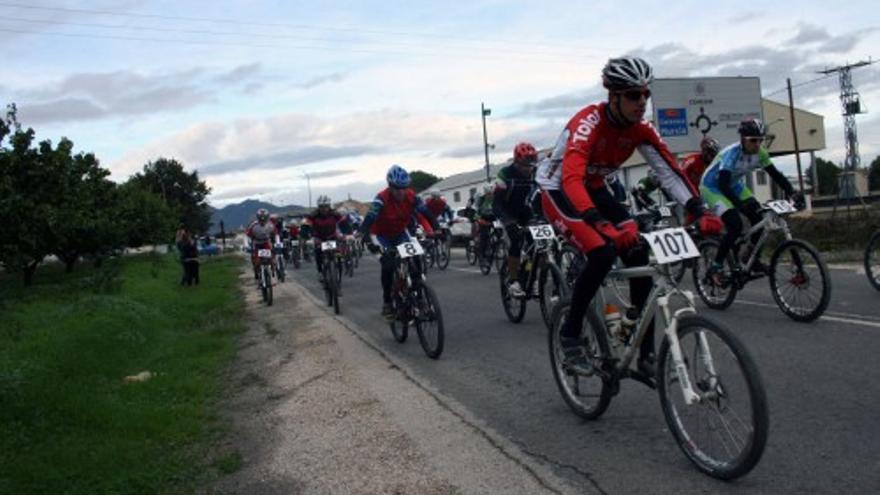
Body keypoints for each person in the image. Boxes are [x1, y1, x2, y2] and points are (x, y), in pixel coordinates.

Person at [537, 56, 723, 376]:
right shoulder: (588, 124)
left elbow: (669, 172)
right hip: (559, 189)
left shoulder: (641, 130)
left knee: (638, 252)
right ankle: (569, 335)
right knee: (602, 252)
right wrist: (601, 225)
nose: (642, 102)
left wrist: (698, 208)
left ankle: (638, 345)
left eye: (645, 95)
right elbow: (570, 179)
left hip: (593, 186)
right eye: (634, 95)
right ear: (614, 97)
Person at [701, 119, 805, 282]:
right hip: (713, 187)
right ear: (743, 139)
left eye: (760, 140)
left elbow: (776, 175)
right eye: (753, 140)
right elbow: (722, 184)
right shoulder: (732, 154)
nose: (757, 144)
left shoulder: (760, 153)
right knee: (735, 224)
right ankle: (717, 264)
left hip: (734, 184)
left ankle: (751, 258)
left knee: (758, 219)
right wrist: (738, 205)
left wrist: (793, 193)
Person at [358, 164, 437, 318]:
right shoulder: (381, 198)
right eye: (397, 188)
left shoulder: (411, 196)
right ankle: (387, 302)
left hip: (400, 232)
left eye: (404, 188)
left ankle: (419, 296)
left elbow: (425, 212)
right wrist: (365, 236)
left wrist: (437, 228)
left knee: (416, 260)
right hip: (381, 235)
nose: (401, 192)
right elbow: (370, 218)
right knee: (388, 265)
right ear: (390, 186)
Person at [493, 142, 539, 297]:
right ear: (517, 162)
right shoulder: (504, 174)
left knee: (537, 246)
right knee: (516, 241)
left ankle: (531, 275)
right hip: (507, 211)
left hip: (525, 211)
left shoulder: (535, 172)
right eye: (525, 164)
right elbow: (496, 203)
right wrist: (507, 221)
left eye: (531, 164)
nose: (529, 168)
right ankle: (514, 281)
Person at [632, 136, 720, 208]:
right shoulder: (692, 160)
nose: (712, 157)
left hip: (702, 195)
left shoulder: (715, 165)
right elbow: (680, 175)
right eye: (710, 153)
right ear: (704, 151)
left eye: (714, 154)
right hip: (686, 193)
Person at [305, 195, 344, 281]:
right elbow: (306, 226)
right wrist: (309, 237)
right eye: (321, 207)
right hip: (319, 238)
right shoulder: (313, 215)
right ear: (318, 207)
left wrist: (348, 234)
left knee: (339, 256)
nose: (324, 209)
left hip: (333, 237)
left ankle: (338, 280)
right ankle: (320, 272)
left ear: (329, 206)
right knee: (318, 253)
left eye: (326, 206)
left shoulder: (335, 214)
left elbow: (343, 223)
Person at [246, 208, 281, 278]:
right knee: (256, 260)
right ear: (258, 218)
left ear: (267, 218)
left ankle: (274, 269)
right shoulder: (253, 225)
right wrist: (247, 245)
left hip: (266, 242)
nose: (263, 220)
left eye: (264, 219)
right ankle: (257, 271)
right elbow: (247, 236)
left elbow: (276, 234)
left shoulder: (270, 225)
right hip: (256, 243)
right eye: (261, 218)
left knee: (271, 258)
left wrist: (278, 243)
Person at [474, 182, 497, 264]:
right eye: (488, 193)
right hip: (483, 218)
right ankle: (482, 255)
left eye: (491, 193)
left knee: (498, 233)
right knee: (484, 235)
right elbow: (476, 213)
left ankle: (497, 248)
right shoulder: (481, 198)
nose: (490, 195)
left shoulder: (495, 197)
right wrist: (480, 220)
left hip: (493, 217)